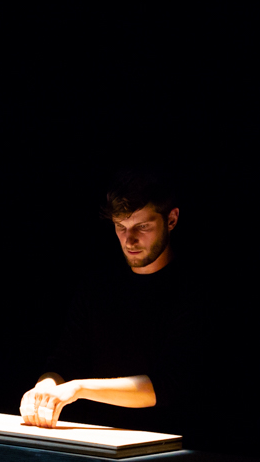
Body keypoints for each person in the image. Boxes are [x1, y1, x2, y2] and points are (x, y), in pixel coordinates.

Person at [19, 168, 207, 433]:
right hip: (94, 439)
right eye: (121, 227)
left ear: (172, 219)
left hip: (169, 445)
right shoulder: (97, 286)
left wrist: (78, 387)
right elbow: (63, 360)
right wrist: (45, 387)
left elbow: (169, 386)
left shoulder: (193, 291)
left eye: (142, 226)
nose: (129, 239)